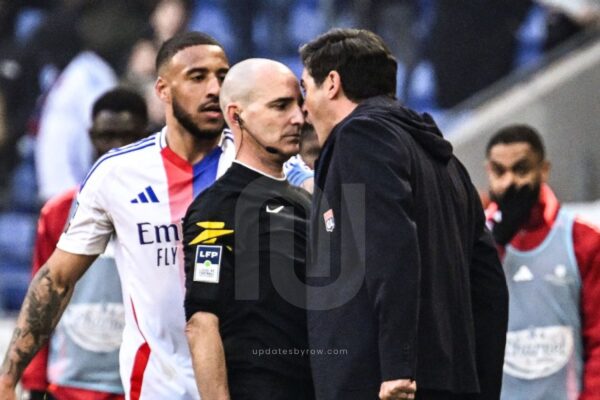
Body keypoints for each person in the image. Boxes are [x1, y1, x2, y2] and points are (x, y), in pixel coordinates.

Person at [0, 31, 234, 400]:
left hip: (244, 383)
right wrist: (10, 376)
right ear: (162, 90)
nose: (214, 89)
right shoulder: (118, 173)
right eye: (197, 77)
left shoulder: (253, 164)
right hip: (157, 388)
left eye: (222, 76)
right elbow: (56, 280)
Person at [299, 28, 509, 400]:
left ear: (332, 83)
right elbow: (489, 280)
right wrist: (482, 382)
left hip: (384, 384)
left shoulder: (359, 138)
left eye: (306, 89)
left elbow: (391, 250)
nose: (303, 108)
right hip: (450, 380)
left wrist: (397, 366)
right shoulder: (445, 160)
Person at [183, 58, 314, 400]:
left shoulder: (307, 202)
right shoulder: (216, 209)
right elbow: (201, 324)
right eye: (281, 106)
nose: (298, 118)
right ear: (236, 115)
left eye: (299, 105)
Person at [19, 87, 149, 400]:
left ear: (146, 137)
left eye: (127, 136)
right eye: (106, 136)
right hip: (69, 387)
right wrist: (34, 382)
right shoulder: (58, 211)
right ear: (91, 137)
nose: (115, 147)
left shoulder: (170, 210)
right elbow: (43, 296)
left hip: (142, 385)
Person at [484, 125, 600, 399]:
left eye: (521, 169)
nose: (510, 181)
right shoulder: (470, 242)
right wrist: (494, 245)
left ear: (543, 170)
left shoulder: (582, 241)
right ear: (488, 171)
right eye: (500, 171)